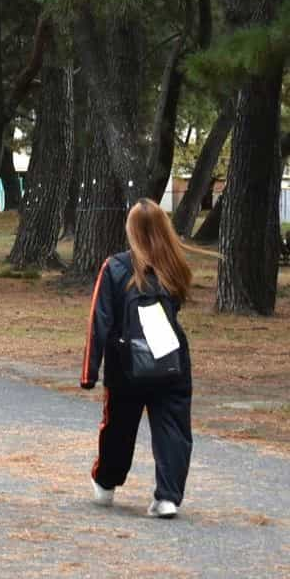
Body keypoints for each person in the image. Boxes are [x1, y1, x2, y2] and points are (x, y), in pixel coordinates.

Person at [81, 198, 194, 520]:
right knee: (173, 428)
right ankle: (168, 497)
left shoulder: (115, 267)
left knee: (118, 427)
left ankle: (106, 483)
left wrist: (89, 373)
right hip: (172, 360)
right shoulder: (175, 266)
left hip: (126, 363)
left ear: (130, 229)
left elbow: (99, 321)